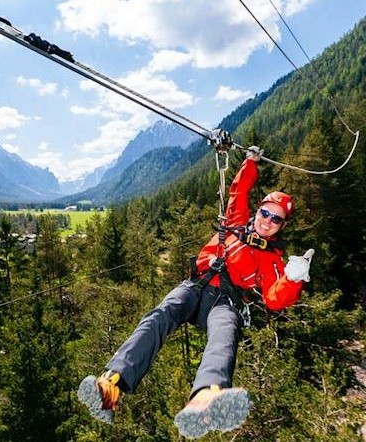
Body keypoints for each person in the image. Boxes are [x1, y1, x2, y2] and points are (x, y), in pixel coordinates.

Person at [77, 147, 314, 439]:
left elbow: (274, 299)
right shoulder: (237, 221)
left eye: (275, 219)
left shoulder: (274, 260)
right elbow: (239, 191)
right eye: (265, 212)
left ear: (281, 226)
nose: (267, 220)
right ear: (257, 211)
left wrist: (292, 279)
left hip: (226, 302)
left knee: (225, 335)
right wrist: (251, 163)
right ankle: (111, 386)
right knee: (160, 315)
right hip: (197, 286)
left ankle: (207, 396)